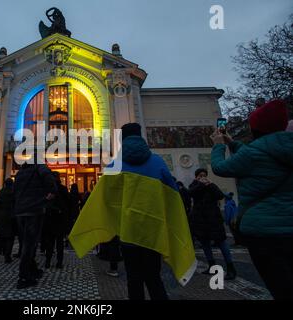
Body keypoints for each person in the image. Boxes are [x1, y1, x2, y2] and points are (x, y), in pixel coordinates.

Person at [69, 123, 196, 300]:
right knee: (154, 278)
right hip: (153, 232)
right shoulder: (158, 163)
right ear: (141, 136)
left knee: (133, 279)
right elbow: (173, 199)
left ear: (122, 139)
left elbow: (102, 201)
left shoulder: (115, 165)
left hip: (128, 233)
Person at [210, 99, 293, 300]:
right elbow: (261, 155)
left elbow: (220, 168)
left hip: (265, 231)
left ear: (256, 127)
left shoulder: (252, 153)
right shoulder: (278, 149)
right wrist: (233, 142)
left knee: (280, 287)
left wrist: (219, 146)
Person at [13, 160, 57, 289]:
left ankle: (32, 269)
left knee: (26, 242)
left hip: (20, 211)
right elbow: (52, 185)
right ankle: (24, 276)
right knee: (30, 244)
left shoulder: (21, 172)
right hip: (34, 210)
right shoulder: (40, 167)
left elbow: (14, 190)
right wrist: (47, 198)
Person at [188, 168, 236, 280]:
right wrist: (200, 184)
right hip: (200, 220)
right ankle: (211, 265)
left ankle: (231, 268)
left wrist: (210, 185)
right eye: (200, 175)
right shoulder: (194, 185)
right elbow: (190, 193)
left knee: (222, 242)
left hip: (214, 219)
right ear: (196, 177)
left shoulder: (211, 186)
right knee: (205, 243)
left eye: (204, 175)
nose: (202, 177)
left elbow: (219, 195)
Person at [42, 171, 69, 269]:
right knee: (59, 243)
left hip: (50, 219)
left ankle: (48, 262)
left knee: (50, 242)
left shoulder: (48, 190)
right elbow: (67, 205)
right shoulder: (63, 189)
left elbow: (43, 203)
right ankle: (59, 262)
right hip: (60, 219)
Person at [0, 178, 15, 264]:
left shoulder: (1, 192)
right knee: (10, 238)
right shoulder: (14, 192)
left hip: (2, 216)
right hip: (11, 217)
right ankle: (7, 257)